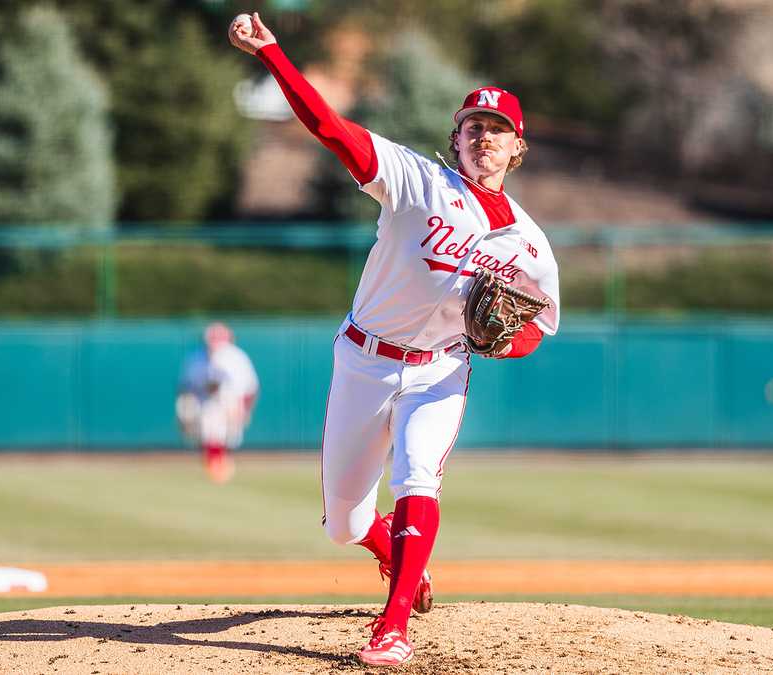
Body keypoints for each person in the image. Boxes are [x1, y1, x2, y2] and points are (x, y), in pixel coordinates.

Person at [229, 12, 560, 666]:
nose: (485, 138)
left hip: (440, 370)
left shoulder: (529, 243)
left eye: (499, 131)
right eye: (474, 127)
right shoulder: (415, 180)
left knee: (416, 475)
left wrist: (500, 344)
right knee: (344, 524)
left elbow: (539, 328)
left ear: (517, 149)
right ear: (455, 138)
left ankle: (394, 623)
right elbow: (329, 127)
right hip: (363, 359)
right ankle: (392, 554)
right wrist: (272, 54)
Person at [175, 322, 259, 483]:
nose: (214, 344)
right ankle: (215, 465)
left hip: (229, 400)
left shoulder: (236, 357)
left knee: (228, 436)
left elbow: (250, 387)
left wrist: (246, 408)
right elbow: (185, 387)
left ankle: (220, 464)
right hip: (204, 400)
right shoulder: (195, 358)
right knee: (210, 431)